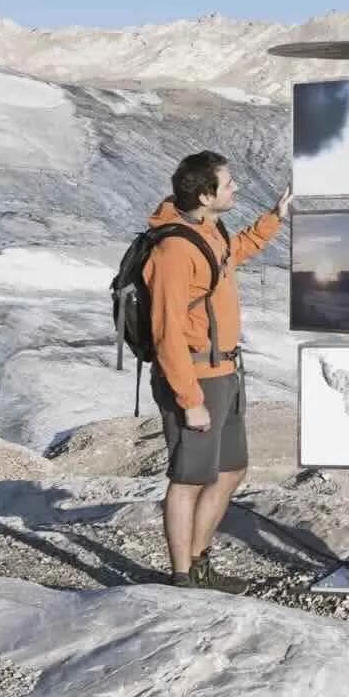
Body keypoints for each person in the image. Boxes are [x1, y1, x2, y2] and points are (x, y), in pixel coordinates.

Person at [144, 150, 291, 592]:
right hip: (196, 378)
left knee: (230, 471)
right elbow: (167, 333)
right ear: (206, 195)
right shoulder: (173, 250)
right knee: (188, 479)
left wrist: (274, 218)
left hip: (224, 372)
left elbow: (233, 254)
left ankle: (196, 559)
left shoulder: (208, 229)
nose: (236, 189)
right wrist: (190, 402)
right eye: (228, 185)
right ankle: (182, 577)